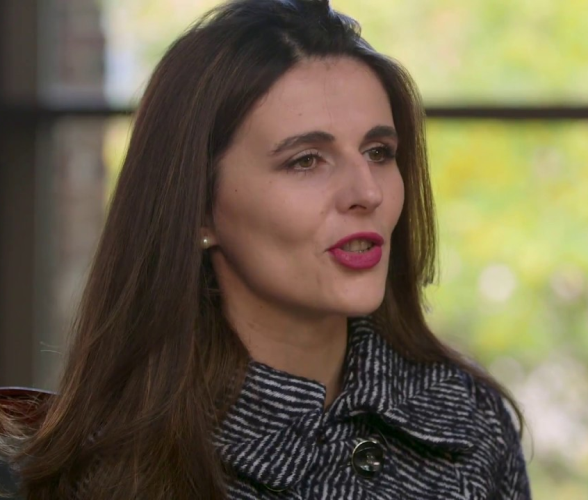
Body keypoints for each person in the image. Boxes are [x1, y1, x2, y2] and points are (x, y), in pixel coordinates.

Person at [0, 0, 531, 498]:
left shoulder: (470, 420)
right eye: (306, 160)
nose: (367, 193)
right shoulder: (99, 471)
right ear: (199, 209)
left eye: (378, 152)